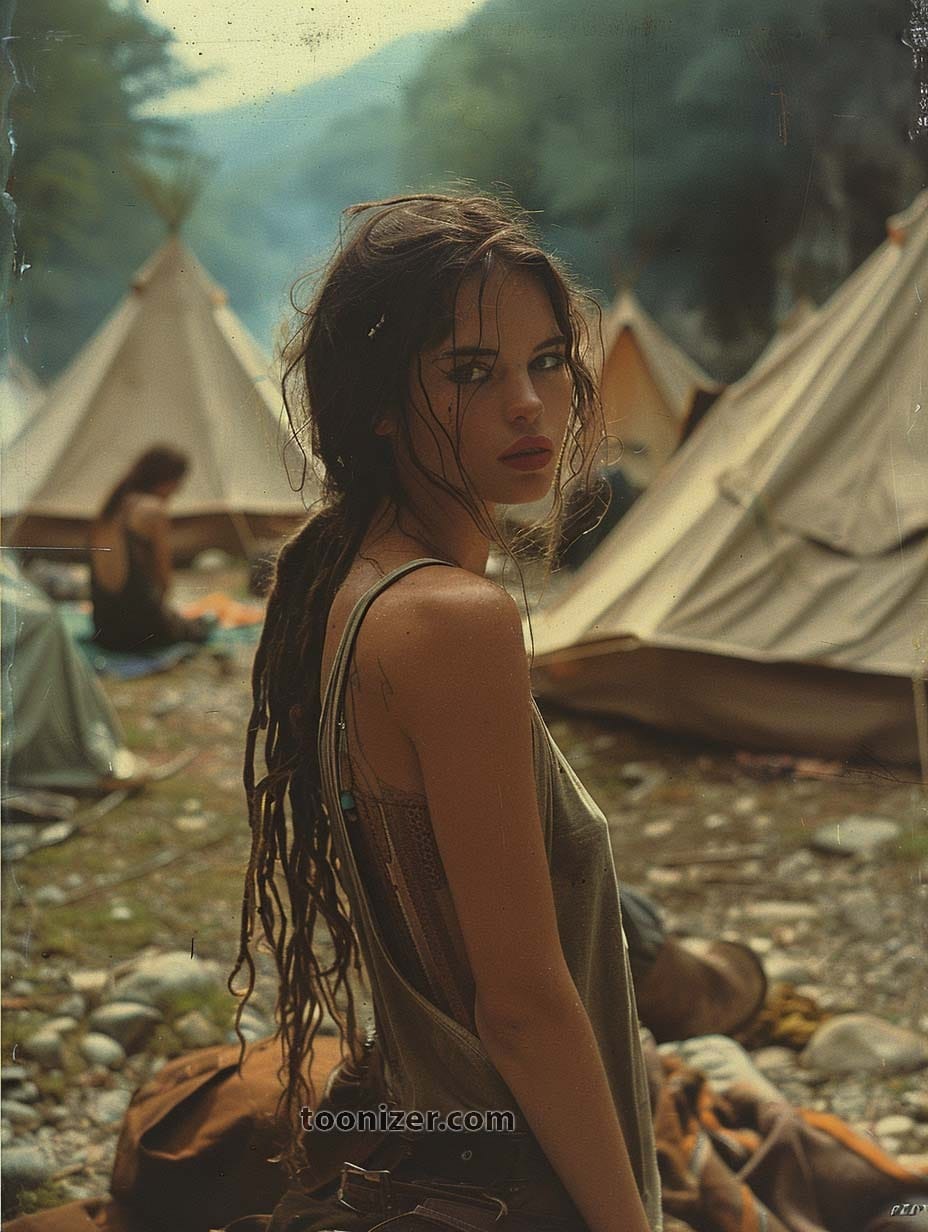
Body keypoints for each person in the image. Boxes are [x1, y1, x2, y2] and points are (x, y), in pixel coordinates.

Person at [233, 193, 663, 1232]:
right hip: (510, 1174)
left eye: (547, 361)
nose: (528, 404)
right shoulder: (451, 621)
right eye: (471, 372)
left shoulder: (345, 575)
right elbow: (519, 1006)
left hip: (443, 1139)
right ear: (381, 401)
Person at [89, 446, 211, 652]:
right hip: (140, 634)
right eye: (177, 484)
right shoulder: (152, 510)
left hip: (104, 631)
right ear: (166, 480)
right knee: (202, 626)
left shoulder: (110, 508)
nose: (178, 491)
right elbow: (164, 581)